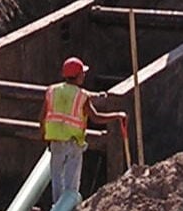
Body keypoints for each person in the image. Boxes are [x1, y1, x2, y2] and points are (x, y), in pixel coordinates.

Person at [41, 57, 125, 202]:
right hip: (73, 143)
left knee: (57, 181)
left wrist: (44, 136)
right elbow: (96, 118)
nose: (84, 76)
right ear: (78, 75)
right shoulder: (82, 96)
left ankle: (56, 210)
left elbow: (42, 117)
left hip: (55, 141)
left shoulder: (52, 91)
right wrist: (117, 115)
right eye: (83, 73)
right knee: (71, 185)